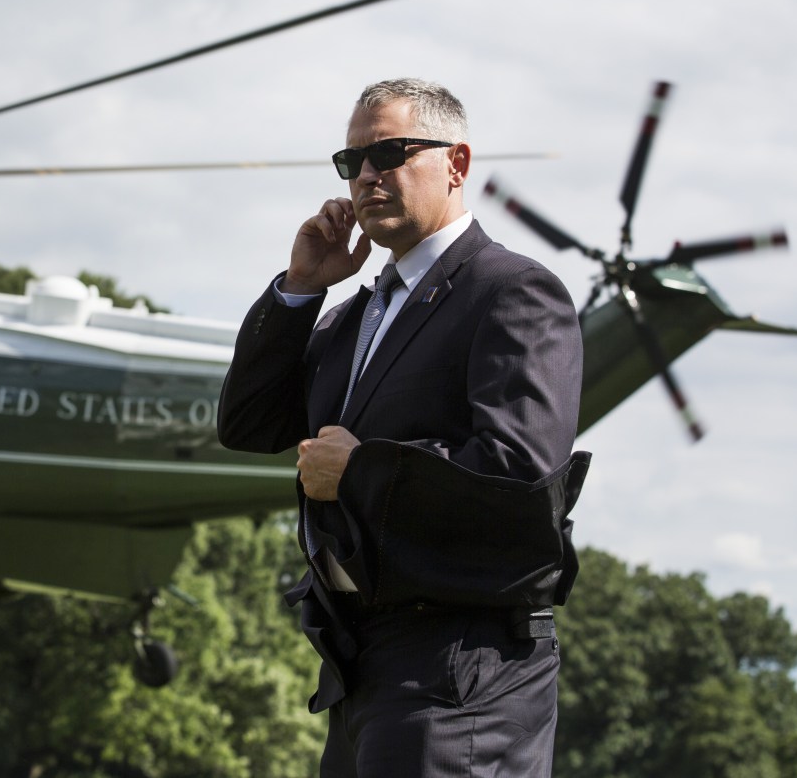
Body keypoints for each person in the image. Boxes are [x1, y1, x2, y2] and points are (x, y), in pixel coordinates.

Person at [217, 79, 589, 777]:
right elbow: (248, 422)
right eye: (351, 160)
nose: (365, 175)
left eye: (390, 151)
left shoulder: (512, 292)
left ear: (456, 162)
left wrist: (360, 471)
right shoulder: (352, 318)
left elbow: (520, 472)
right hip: (362, 666)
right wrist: (300, 288)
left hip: (463, 668)